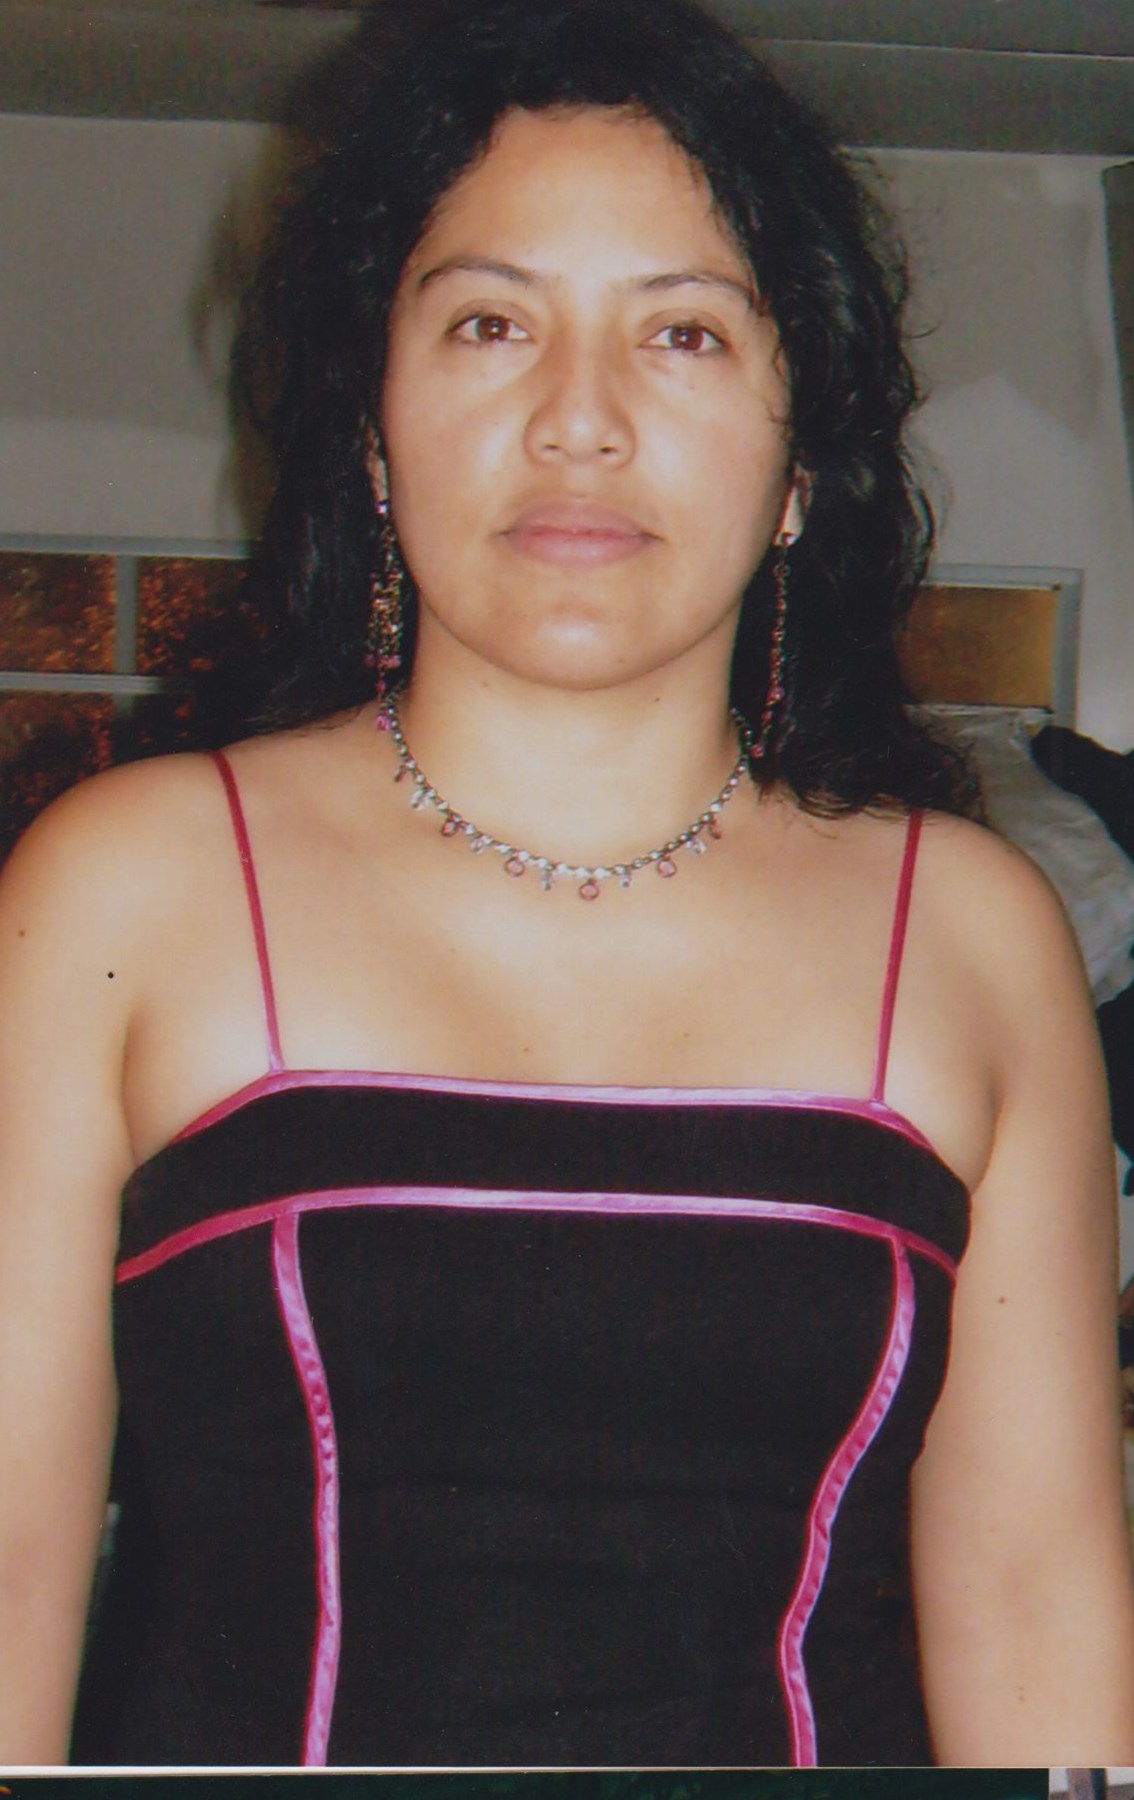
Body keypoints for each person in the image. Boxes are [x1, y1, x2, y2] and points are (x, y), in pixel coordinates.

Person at [1, 0, 1132, 1768]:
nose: (578, 421)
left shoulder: (973, 935)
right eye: (488, 323)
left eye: (682, 332)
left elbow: (1036, 1607)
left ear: (799, 465)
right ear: (372, 431)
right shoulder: (127, 887)